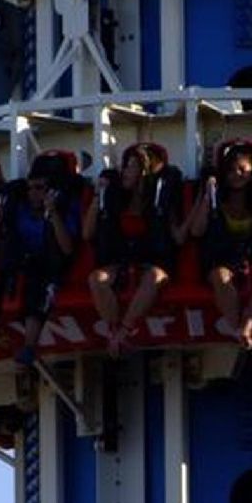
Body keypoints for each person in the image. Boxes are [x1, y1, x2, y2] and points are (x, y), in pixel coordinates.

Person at [187, 139, 252, 350]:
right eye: (231, 170)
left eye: (242, 169)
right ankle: (239, 330)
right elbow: (196, 231)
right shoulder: (216, 197)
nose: (236, 175)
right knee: (220, 277)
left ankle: (248, 323)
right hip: (223, 257)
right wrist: (207, 198)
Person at [82, 144, 183, 357]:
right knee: (96, 279)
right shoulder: (115, 197)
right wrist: (97, 197)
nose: (124, 171)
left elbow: (178, 236)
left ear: (144, 172)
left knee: (154, 276)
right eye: (125, 166)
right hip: (121, 260)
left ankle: (125, 329)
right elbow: (87, 234)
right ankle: (114, 330)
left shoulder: (162, 197)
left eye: (130, 167)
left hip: (152, 262)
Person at [0, 151, 82, 366]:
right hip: (22, 264)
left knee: (39, 285)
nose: (33, 193)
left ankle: (29, 345)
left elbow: (67, 248)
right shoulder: (19, 209)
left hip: (53, 266)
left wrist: (52, 213)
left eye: (40, 188)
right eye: (30, 188)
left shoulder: (66, 209)